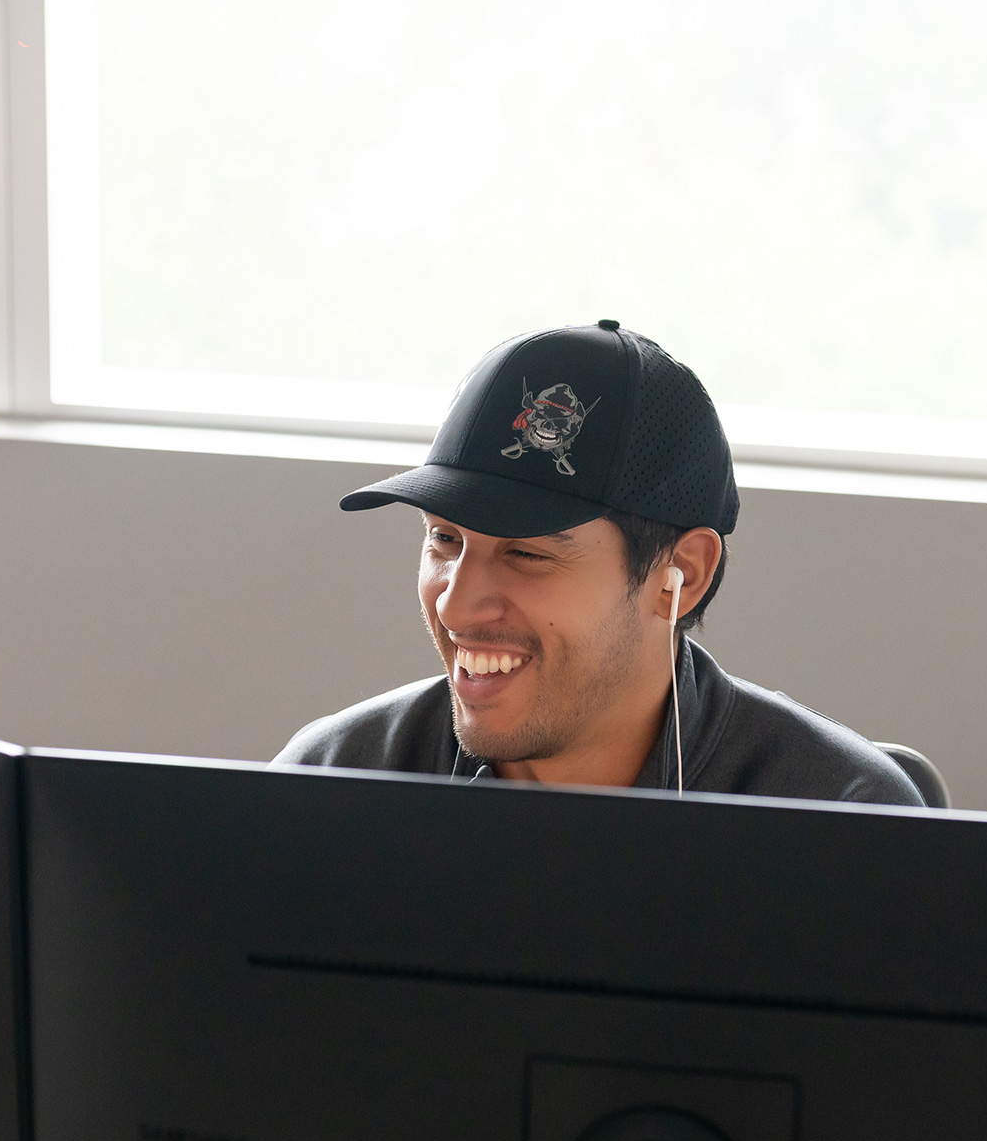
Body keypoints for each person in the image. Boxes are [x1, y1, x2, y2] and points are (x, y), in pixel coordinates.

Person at [276, 321, 926, 804]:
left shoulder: (843, 820)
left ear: (683, 574)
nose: (455, 604)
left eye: (526, 552)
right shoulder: (327, 785)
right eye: (444, 540)